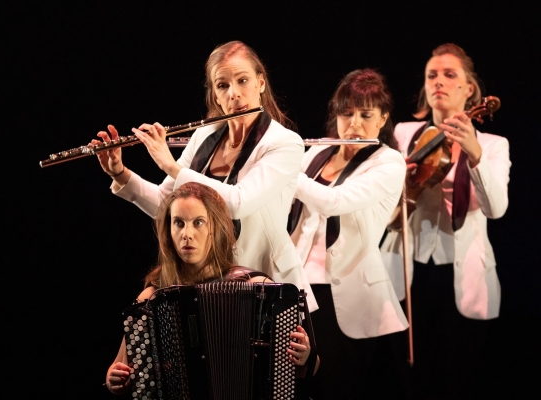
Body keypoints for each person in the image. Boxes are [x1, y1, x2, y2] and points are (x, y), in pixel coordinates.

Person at [91, 40, 316, 312]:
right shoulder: (204, 136)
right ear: (215, 95)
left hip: (269, 283)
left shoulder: (284, 143)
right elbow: (165, 204)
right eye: (223, 85)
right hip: (210, 283)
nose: (234, 94)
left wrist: (171, 166)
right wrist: (121, 173)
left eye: (242, 80)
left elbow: (237, 203)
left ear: (260, 84)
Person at [380, 43, 511, 399]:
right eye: (432, 75)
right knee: (407, 378)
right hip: (406, 266)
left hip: (462, 268)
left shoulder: (493, 144)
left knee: (459, 376)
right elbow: (382, 209)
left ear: (469, 89)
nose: (438, 81)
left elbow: (496, 208)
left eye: (449, 75)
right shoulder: (403, 135)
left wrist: (474, 153)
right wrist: (405, 187)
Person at [105, 182, 316, 396]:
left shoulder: (260, 290)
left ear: (214, 228)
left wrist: (305, 356)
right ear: (168, 229)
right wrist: (115, 379)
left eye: (198, 222)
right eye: (178, 223)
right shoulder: (153, 298)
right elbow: (120, 370)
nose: (187, 233)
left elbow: (311, 367)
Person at [288, 69, 409, 400]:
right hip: (301, 287)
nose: (354, 124)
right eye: (347, 113)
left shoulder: (389, 162)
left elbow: (335, 201)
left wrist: (283, 168)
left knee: (340, 386)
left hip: (349, 294)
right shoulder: (316, 153)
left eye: (365, 115)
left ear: (383, 118)